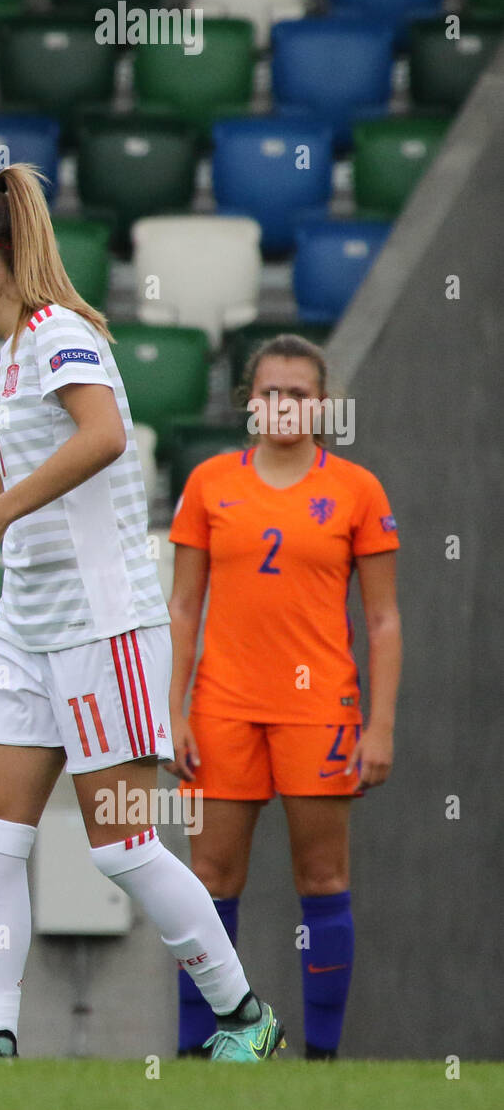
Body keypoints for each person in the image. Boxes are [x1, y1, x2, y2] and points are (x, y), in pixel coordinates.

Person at [0, 163, 283, 1062]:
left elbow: (104, 435)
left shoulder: (58, 332)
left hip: (101, 624)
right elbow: (13, 480)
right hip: (26, 629)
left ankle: (243, 1014)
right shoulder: (15, 354)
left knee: (122, 847)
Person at [167, 334, 401, 1059]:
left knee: (323, 877)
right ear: (249, 402)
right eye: (270, 392)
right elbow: (181, 607)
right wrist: (170, 710)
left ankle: (322, 1057)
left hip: (319, 709)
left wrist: (381, 724)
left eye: (298, 393)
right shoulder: (209, 482)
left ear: (323, 405)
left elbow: (385, 618)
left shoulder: (357, 489)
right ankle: (197, 1049)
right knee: (208, 879)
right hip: (223, 705)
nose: (283, 405)